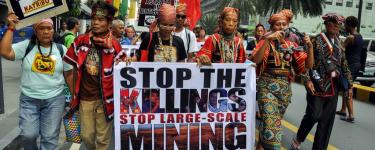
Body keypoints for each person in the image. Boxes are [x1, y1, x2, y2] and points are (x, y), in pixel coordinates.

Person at [0, 13, 73, 149]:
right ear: (35, 30)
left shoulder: (61, 49)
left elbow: (69, 75)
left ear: (53, 30)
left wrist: (75, 96)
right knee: (28, 135)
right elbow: (5, 52)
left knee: (50, 137)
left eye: (49, 28)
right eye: (41, 28)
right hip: (29, 100)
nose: (46, 31)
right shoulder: (26, 46)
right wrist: (11, 28)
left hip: (55, 99)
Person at [63, 2, 126, 149]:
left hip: (106, 100)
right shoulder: (81, 41)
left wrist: (128, 62)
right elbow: (68, 67)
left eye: (101, 20)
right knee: (87, 136)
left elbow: (124, 72)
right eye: (94, 19)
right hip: (85, 98)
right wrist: (74, 92)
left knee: (103, 140)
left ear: (109, 23)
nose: (96, 23)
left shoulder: (116, 45)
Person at [250, 9, 314, 150]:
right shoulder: (266, 41)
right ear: (272, 26)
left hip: (284, 91)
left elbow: (306, 67)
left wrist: (309, 47)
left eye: (284, 24)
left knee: (268, 126)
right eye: (277, 24)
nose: (281, 27)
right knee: (273, 128)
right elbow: (256, 60)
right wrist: (267, 39)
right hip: (266, 87)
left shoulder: (291, 45)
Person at [291, 13, 353, 150]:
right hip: (317, 84)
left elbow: (344, 65)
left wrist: (350, 85)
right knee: (314, 115)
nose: (337, 26)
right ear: (326, 24)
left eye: (339, 24)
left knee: (326, 122)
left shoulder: (339, 43)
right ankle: (299, 137)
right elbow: (306, 63)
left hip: (333, 87)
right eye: (334, 23)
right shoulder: (315, 40)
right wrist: (307, 80)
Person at [336, 16, 364, 123]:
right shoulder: (360, 36)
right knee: (346, 86)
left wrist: (338, 39)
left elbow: (341, 49)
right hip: (357, 65)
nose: (344, 26)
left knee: (348, 88)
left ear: (348, 25)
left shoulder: (350, 37)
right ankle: (343, 110)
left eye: (345, 25)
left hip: (349, 66)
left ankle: (351, 114)